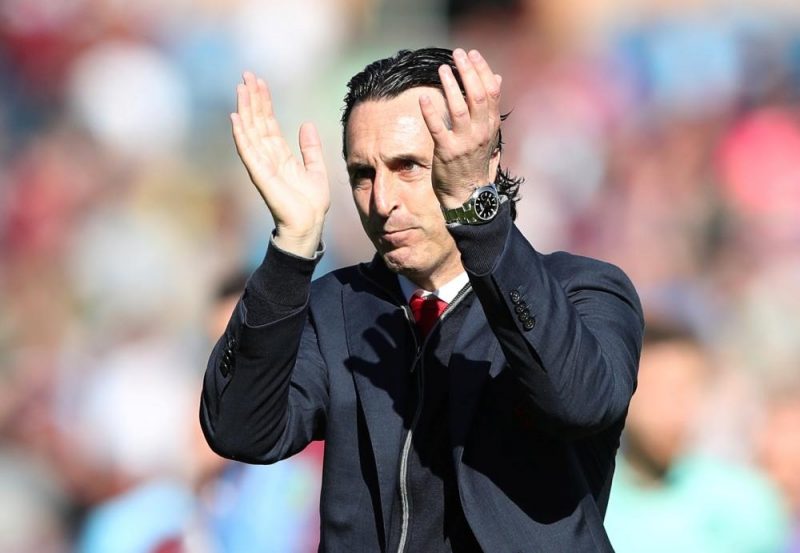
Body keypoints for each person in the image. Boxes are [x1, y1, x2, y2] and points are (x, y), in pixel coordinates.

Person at [200, 47, 644, 552]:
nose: (382, 201)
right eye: (363, 174)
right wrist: (291, 248)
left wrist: (477, 212)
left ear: (480, 161)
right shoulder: (334, 307)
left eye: (408, 166)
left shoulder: (582, 290)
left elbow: (578, 404)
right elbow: (239, 430)